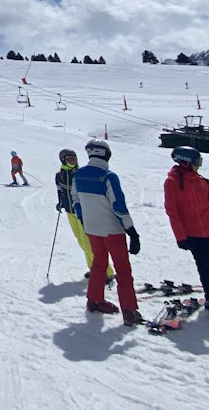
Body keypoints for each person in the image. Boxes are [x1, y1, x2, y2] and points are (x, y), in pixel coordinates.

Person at [163, 146, 209, 323]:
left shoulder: (201, 181)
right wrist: (180, 237)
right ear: (186, 162)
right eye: (197, 163)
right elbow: (172, 211)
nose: (199, 167)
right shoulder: (173, 182)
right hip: (192, 235)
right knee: (204, 268)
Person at [70, 139, 142, 326]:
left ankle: (94, 300)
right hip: (112, 229)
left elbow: (75, 200)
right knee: (123, 269)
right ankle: (129, 310)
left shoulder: (78, 175)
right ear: (105, 154)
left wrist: (84, 219)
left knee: (99, 263)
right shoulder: (108, 176)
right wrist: (132, 232)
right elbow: (118, 206)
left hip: (92, 228)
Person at [54, 149, 111, 281]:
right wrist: (60, 203)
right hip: (70, 211)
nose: (72, 162)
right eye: (69, 159)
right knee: (81, 242)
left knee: (89, 243)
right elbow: (60, 190)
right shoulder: (59, 175)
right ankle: (94, 269)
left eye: (74, 159)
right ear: (63, 160)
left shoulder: (80, 173)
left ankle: (106, 272)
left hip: (83, 212)